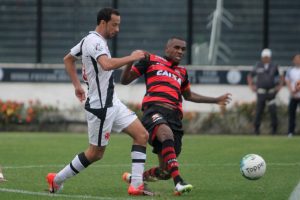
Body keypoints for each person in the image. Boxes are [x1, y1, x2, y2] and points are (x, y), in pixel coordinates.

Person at [46, 8, 154, 196]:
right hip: (101, 107)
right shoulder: (96, 42)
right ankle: (56, 180)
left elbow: (68, 59)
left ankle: (136, 185)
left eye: (119, 25)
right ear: (103, 23)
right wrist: (133, 57)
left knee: (142, 135)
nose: (117, 29)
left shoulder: (89, 39)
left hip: (112, 102)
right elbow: (107, 64)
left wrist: (77, 86)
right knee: (95, 154)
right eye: (114, 25)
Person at [120, 37, 231, 195]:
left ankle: (136, 179)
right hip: (154, 110)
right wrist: (131, 60)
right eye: (177, 47)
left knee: (165, 171)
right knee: (166, 134)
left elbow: (189, 96)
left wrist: (215, 100)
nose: (180, 51)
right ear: (167, 49)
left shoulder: (182, 72)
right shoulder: (151, 60)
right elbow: (125, 80)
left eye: (183, 49)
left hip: (174, 117)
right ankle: (178, 182)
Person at [247, 48, 283, 135]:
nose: (265, 58)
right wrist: (251, 85)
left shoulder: (275, 66)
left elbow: (281, 76)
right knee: (259, 111)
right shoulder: (257, 65)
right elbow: (250, 76)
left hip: (271, 92)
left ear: (270, 57)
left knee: (273, 111)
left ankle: (274, 130)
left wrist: (280, 86)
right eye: (264, 57)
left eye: (267, 57)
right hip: (261, 92)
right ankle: (256, 130)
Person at [285, 54, 300, 137]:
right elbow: (287, 80)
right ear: (293, 60)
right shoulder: (290, 70)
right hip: (293, 97)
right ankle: (291, 132)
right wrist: (292, 91)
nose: (298, 60)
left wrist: (298, 89)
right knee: (292, 115)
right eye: (296, 59)